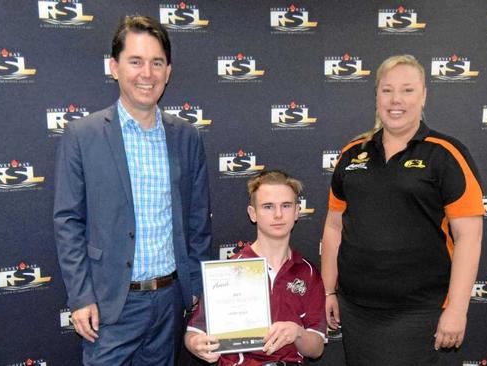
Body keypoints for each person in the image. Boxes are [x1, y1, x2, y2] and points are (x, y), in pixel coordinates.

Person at [53, 15, 211, 365]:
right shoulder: (82, 136)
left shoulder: (186, 137)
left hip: (170, 303)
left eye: (157, 63)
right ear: (114, 67)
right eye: (135, 61)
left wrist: (197, 292)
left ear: (168, 71)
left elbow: (199, 222)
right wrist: (80, 297)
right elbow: (68, 222)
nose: (147, 73)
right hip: (110, 306)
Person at [321, 54, 484, 365]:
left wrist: (457, 308)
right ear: (377, 96)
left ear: (423, 96)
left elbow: (469, 238)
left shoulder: (446, 154)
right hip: (356, 309)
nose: (396, 100)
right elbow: (333, 227)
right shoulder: (352, 153)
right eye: (387, 90)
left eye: (407, 90)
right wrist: (329, 290)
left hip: (419, 311)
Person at [185, 170, 326, 365]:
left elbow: (317, 348)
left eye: (286, 206)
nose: (278, 214)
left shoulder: (308, 273)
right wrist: (196, 344)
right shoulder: (229, 269)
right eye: (268, 207)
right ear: (253, 213)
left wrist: (298, 333)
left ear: (296, 212)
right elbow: (194, 332)